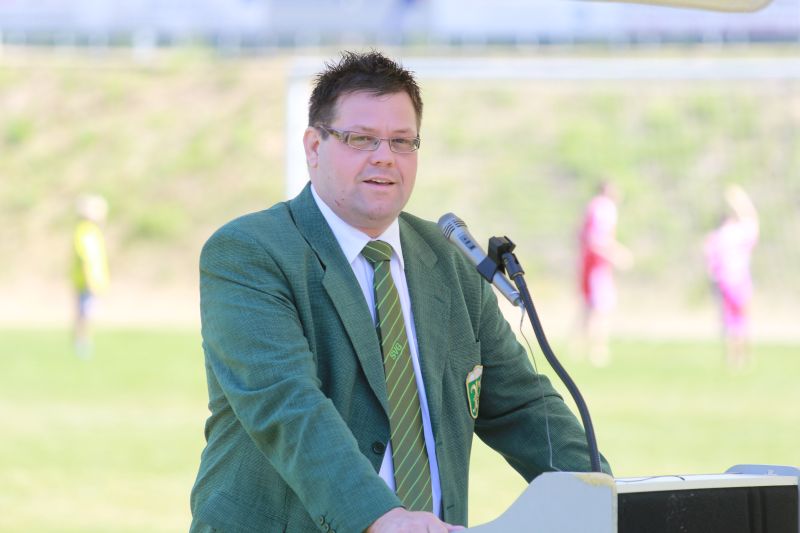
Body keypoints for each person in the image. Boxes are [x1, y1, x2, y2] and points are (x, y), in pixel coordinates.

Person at [190, 51, 610, 533]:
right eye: (361, 138)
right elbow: (287, 406)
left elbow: (522, 407)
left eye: (402, 141)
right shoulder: (249, 253)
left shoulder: (448, 258)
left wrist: (609, 500)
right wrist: (380, 517)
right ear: (313, 146)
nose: (384, 156)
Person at [704, 184, 759, 370]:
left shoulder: (717, 236)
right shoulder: (737, 233)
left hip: (724, 281)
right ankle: (743, 356)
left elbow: (711, 263)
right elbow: (752, 221)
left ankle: (732, 358)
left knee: (730, 321)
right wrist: (742, 200)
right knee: (743, 319)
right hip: (739, 280)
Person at [577, 182, 632, 367]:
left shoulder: (592, 206)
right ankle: (598, 349)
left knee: (589, 306)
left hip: (589, 262)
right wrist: (617, 254)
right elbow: (598, 239)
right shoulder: (604, 208)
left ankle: (581, 346)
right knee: (601, 308)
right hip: (597, 264)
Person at [70, 193, 110, 358]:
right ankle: (82, 344)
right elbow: (86, 258)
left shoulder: (91, 231)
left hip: (91, 280)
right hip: (87, 281)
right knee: (85, 314)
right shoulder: (86, 231)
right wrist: (89, 280)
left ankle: (83, 343)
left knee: (86, 312)